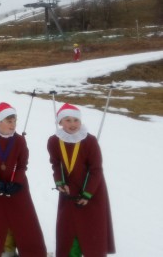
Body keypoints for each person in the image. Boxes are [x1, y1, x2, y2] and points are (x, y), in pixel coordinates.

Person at [0, 102, 46, 257]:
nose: (13, 124)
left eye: (15, 121)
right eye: (9, 121)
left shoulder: (20, 141)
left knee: (21, 219)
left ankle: (28, 250)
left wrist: (16, 182)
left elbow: (22, 165)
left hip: (17, 185)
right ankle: (2, 248)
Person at [47, 103, 115, 257]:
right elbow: (56, 164)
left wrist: (87, 194)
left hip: (92, 191)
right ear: (60, 122)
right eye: (68, 120)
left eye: (76, 120)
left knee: (90, 228)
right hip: (69, 192)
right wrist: (60, 183)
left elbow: (96, 169)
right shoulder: (54, 141)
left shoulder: (89, 141)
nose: (73, 124)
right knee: (69, 228)